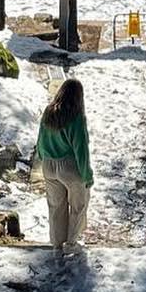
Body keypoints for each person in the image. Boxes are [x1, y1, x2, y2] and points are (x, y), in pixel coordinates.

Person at [36, 77, 93, 252]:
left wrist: (42, 158)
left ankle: (56, 244)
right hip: (69, 166)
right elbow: (81, 149)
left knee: (56, 206)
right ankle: (71, 244)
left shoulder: (48, 112)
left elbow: (40, 140)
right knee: (78, 205)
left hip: (48, 165)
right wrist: (87, 175)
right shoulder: (76, 117)